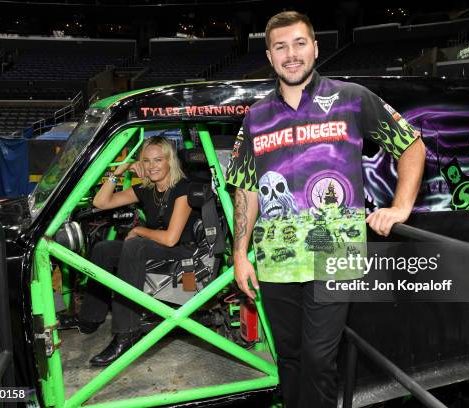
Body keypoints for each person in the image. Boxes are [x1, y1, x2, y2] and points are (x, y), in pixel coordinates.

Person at [225, 11, 426, 408]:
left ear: (315, 48)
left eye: (300, 43)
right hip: (275, 260)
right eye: (280, 47)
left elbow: (411, 144)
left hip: (335, 257)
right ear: (269, 57)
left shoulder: (351, 97)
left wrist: (401, 206)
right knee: (291, 359)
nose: (291, 54)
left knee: (319, 360)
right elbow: (245, 189)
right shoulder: (255, 118)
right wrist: (239, 254)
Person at [60, 136, 199, 366]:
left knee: (134, 244)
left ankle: (127, 332)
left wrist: (140, 231)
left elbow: (171, 238)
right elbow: (101, 202)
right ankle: (89, 318)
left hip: (183, 253)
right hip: (156, 246)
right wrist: (121, 170)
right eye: (146, 161)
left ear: (169, 162)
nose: (152, 166)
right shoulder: (146, 189)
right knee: (104, 249)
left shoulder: (182, 189)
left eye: (158, 160)